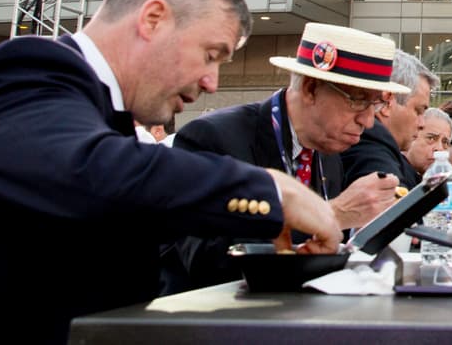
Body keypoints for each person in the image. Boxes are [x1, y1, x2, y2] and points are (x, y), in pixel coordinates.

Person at [0, 0, 339, 343]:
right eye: (210, 56)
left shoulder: (103, 115)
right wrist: (271, 191)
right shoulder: (26, 68)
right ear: (153, 19)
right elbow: (90, 172)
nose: (211, 82)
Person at [171, 22, 405, 289]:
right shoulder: (213, 137)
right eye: (358, 100)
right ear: (310, 89)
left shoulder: (328, 153)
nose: (368, 121)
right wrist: (331, 215)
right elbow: (205, 259)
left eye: (376, 103)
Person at [341, 50, 438, 188]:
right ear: (387, 102)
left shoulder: (384, 147)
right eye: (418, 111)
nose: (422, 124)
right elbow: (393, 197)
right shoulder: (370, 142)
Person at [406, 107, 452, 176]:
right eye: (431, 138)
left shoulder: (448, 178)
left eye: (445, 142)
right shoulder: (393, 174)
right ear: (412, 136)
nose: (439, 148)